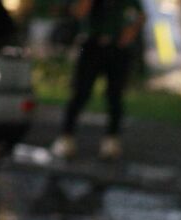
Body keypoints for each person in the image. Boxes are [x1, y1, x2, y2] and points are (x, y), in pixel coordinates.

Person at [52, 0, 145, 161]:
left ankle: (111, 140)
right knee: (81, 92)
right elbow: (79, 12)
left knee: (115, 95)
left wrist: (131, 31)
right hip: (92, 45)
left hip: (117, 48)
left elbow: (140, 15)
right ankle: (66, 137)